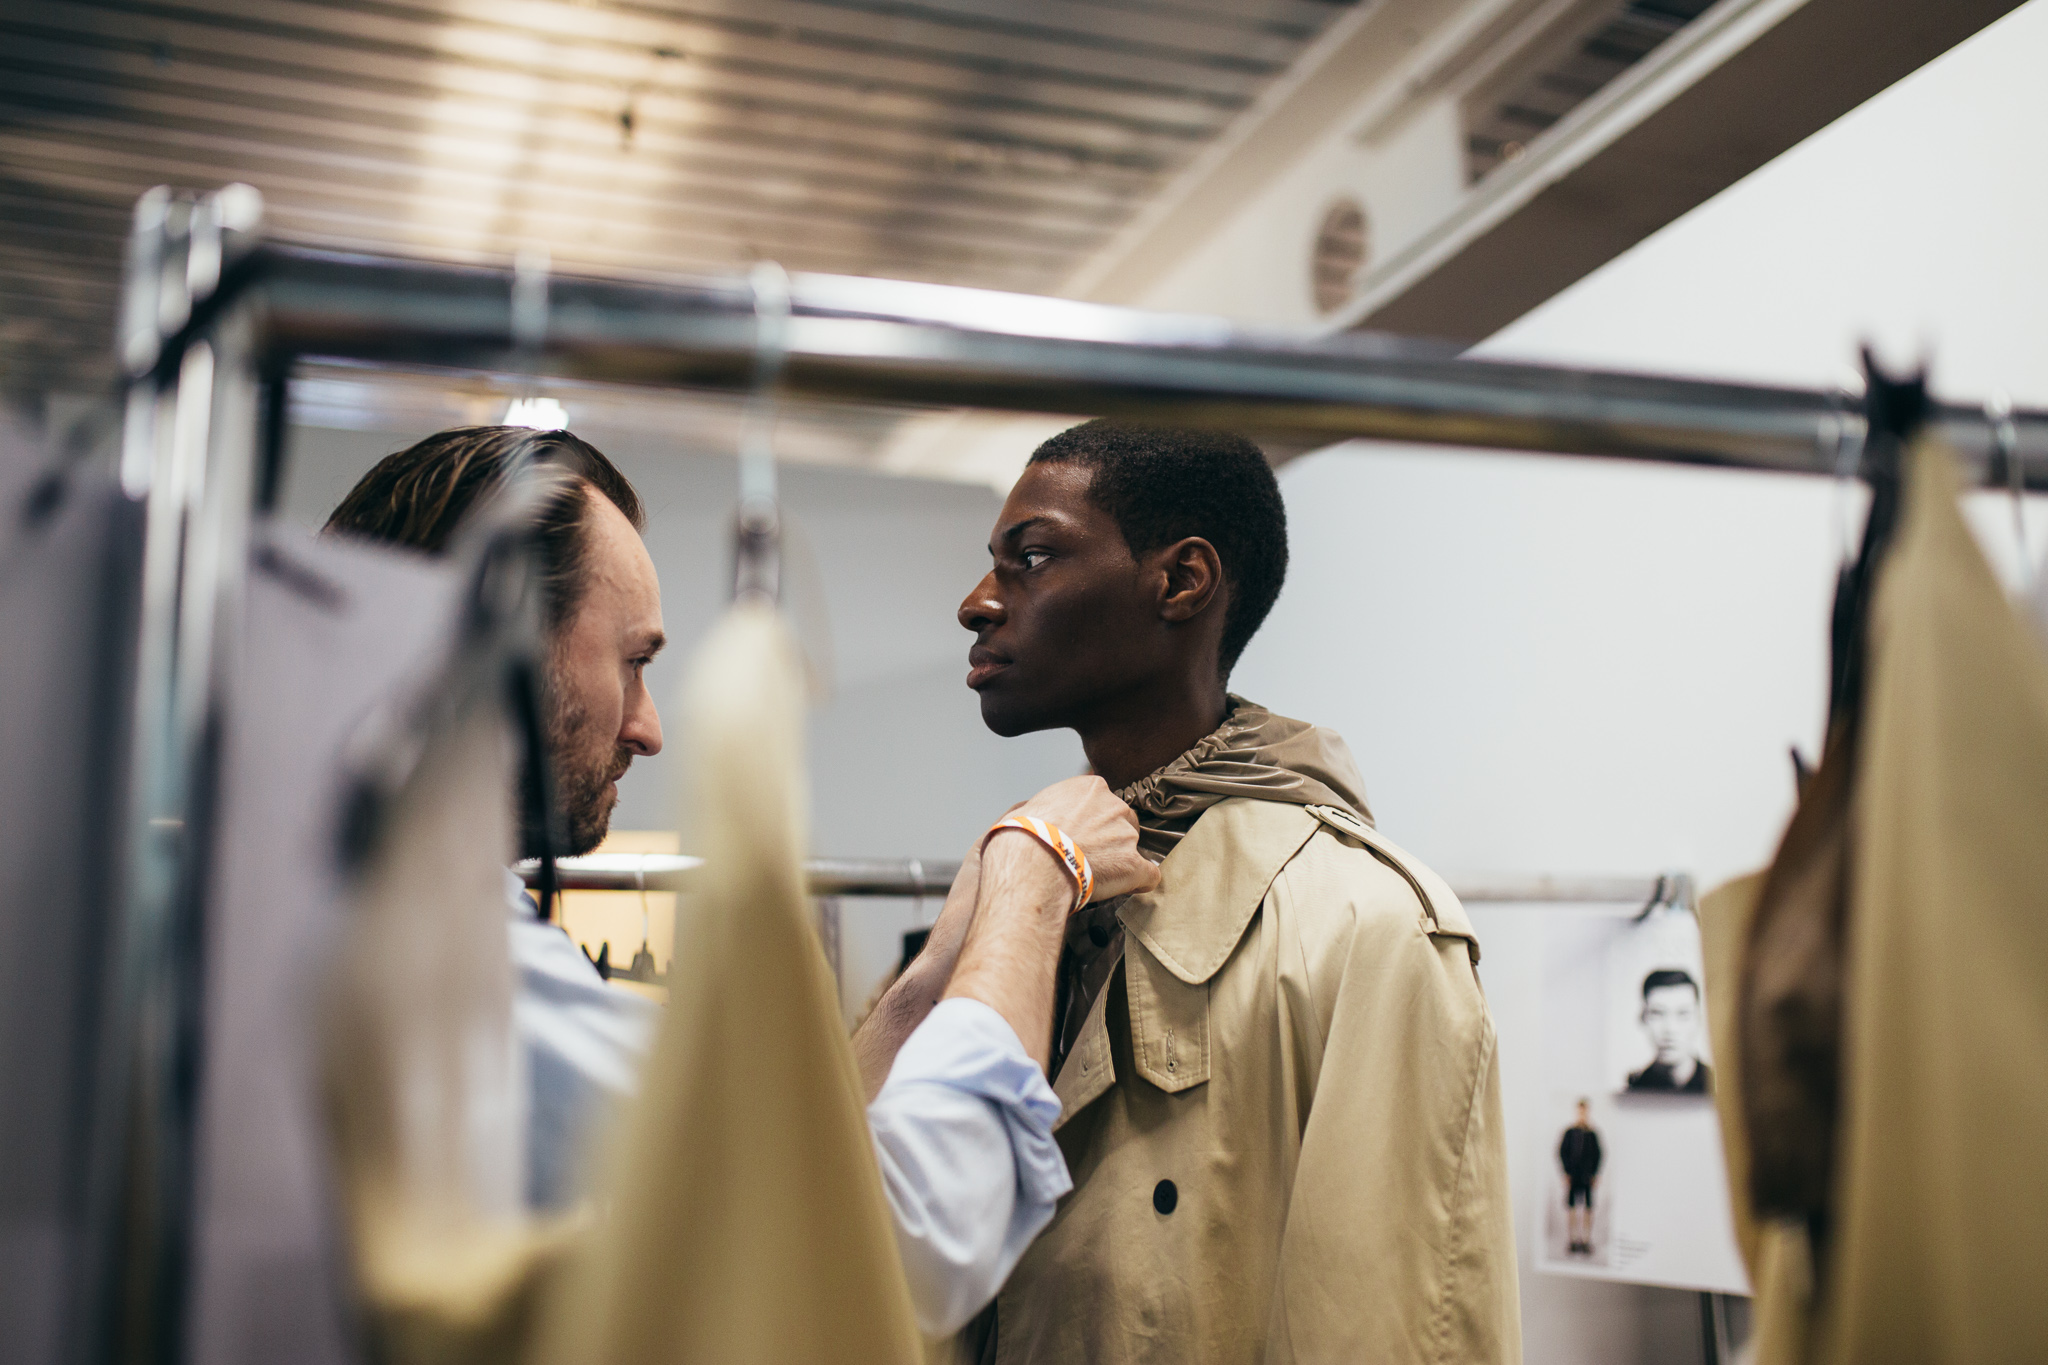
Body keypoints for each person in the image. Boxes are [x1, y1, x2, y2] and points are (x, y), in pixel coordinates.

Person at [325, 424, 1159, 1334]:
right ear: (496, 648)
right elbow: (898, 1242)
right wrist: (1035, 881)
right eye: (634, 662)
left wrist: (928, 985)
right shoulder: (453, 972)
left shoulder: (354, 903)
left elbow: (780, 1173)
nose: (647, 729)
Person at [860, 420, 1519, 1363]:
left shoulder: (1366, 927)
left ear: (1180, 581)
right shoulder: (1022, 896)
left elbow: (1397, 1329)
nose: (977, 603)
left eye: (1032, 557)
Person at [1626, 967, 1712, 1094]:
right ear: (1643, 1018)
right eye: (1658, 1014)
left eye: (1683, 1014)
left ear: (1698, 1020)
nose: (1670, 1029)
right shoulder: (1633, 1091)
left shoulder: (1718, 1085)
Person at [1558, 1099, 1603, 1256]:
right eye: (1580, 1111)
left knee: (1588, 1209)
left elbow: (1599, 1155)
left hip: (1587, 1176)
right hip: (1573, 1176)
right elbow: (1562, 1152)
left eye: (1584, 1111)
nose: (1582, 1114)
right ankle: (1572, 1240)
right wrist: (1566, 1172)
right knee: (1571, 1208)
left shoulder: (1592, 1134)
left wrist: (1595, 1174)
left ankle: (1585, 1240)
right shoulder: (1570, 1133)